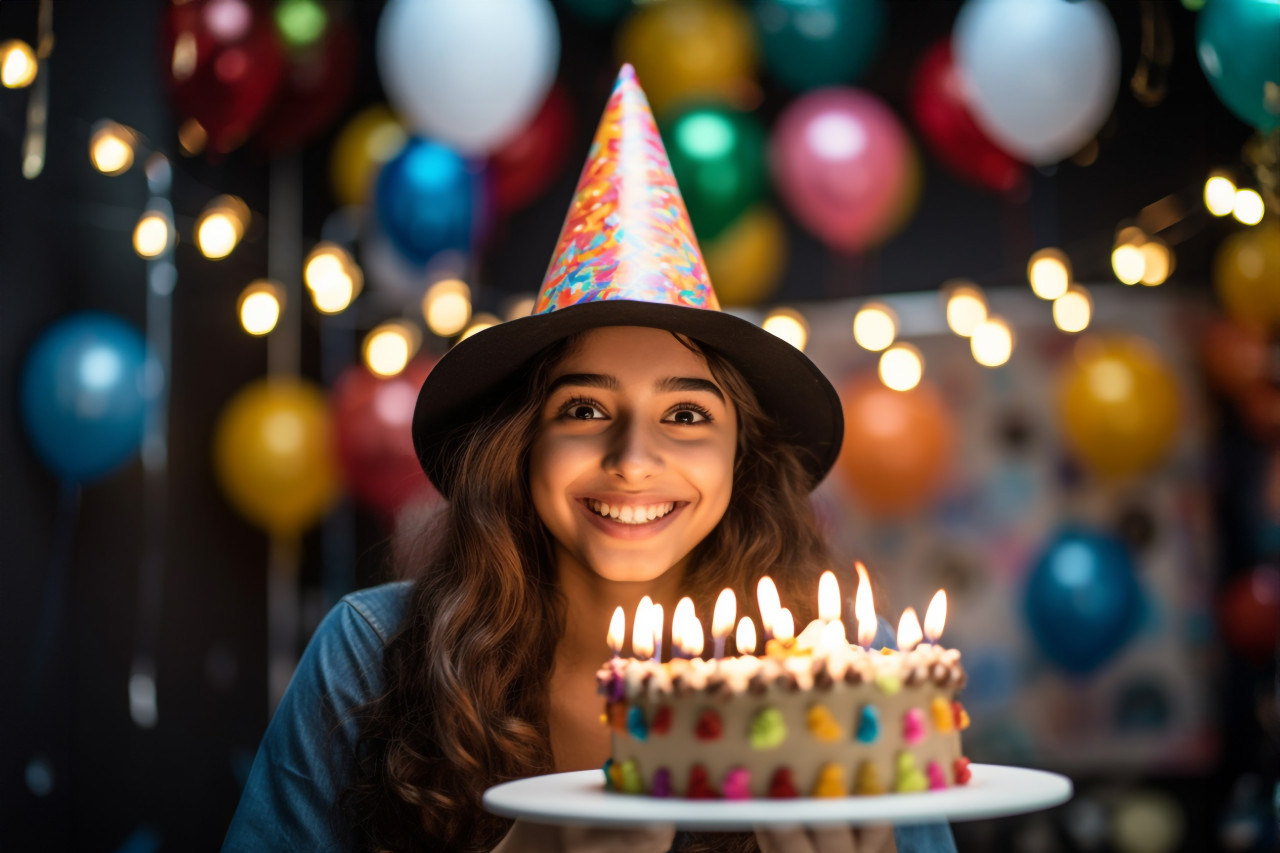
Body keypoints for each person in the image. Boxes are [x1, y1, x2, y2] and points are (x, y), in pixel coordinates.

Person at [222, 66, 957, 853]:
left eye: (685, 414)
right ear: (523, 441)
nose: (633, 460)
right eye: (584, 409)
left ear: (742, 456)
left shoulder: (843, 674)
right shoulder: (369, 656)